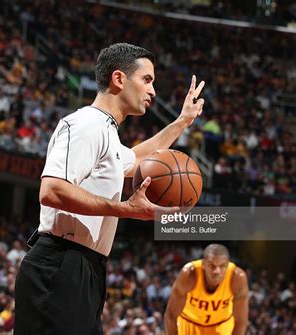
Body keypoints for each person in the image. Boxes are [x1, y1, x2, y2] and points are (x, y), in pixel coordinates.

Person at [15, 43, 205, 335]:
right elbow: (52, 190)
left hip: (85, 266)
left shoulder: (106, 132)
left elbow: (139, 158)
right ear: (119, 79)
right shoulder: (85, 124)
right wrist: (126, 209)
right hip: (60, 263)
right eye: (147, 80)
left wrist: (182, 122)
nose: (153, 91)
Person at [165, 244, 249, 335]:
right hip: (189, 323)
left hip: (221, 325)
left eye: (222, 266)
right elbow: (171, 316)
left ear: (228, 265)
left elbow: (240, 321)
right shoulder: (189, 275)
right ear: (203, 264)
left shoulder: (237, 278)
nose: (217, 271)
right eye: (212, 265)